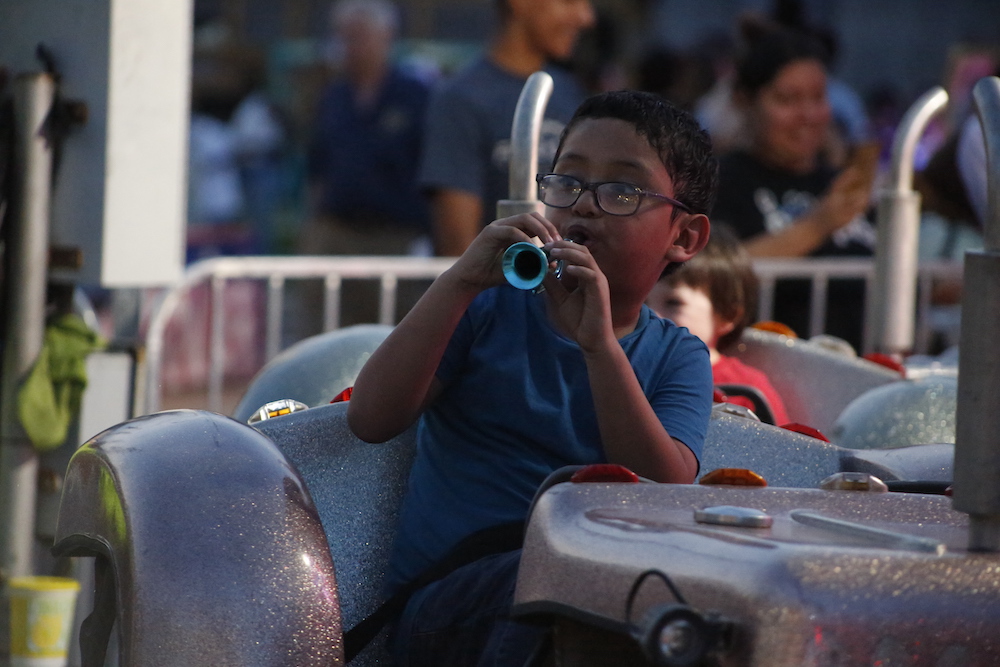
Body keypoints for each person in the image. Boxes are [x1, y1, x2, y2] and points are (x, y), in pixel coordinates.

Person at [348, 90, 716, 666]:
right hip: (444, 605)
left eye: (622, 190)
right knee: (563, 589)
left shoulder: (678, 356)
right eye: (568, 182)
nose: (586, 206)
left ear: (684, 237)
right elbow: (370, 419)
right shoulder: (488, 309)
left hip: (595, 599)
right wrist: (459, 282)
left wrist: (598, 346)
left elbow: (663, 492)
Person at [710, 26, 877, 350]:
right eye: (787, 100)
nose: (808, 115)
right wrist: (818, 225)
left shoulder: (838, 182)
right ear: (745, 101)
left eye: (818, 98)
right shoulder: (723, 181)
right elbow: (713, 273)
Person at [418, 0, 596, 256]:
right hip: (499, 289)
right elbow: (457, 250)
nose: (585, 17)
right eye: (569, 2)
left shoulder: (569, 93)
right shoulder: (461, 99)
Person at [302, 0, 432, 258]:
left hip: (395, 237)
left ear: (387, 36)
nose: (351, 46)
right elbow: (318, 166)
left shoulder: (416, 97)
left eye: (360, 36)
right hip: (335, 234)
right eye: (344, 36)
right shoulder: (333, 96)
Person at [646, 227, 790, 424]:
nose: (651, 316)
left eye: (673, 303)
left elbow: (779, 451)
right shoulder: (624, 367)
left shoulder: (746, 389)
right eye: (643, 303)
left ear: (726, 315)